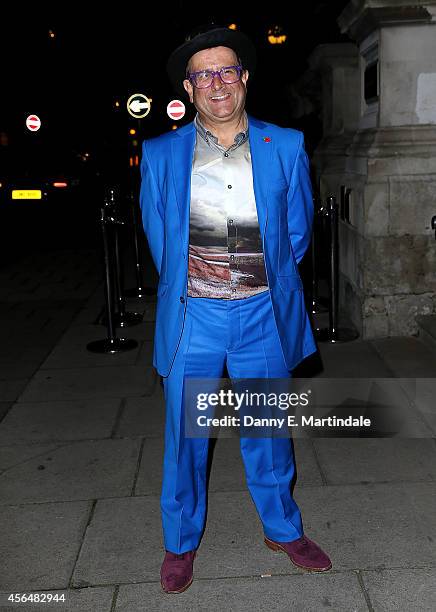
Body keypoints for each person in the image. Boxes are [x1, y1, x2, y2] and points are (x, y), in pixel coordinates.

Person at [139, 24, 332, 594]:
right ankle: (180, 542)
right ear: (190, 87)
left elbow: (295, 234)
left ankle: (282, 527)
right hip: (194, 317)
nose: (217, 82)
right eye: (205, 74)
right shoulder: (160, 153)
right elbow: (160, 239)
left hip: (261, 315)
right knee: (186, 438)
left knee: (268, 430)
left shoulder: (287, 145)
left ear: (244, 79)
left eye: (227, 70)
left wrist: (256, 279)